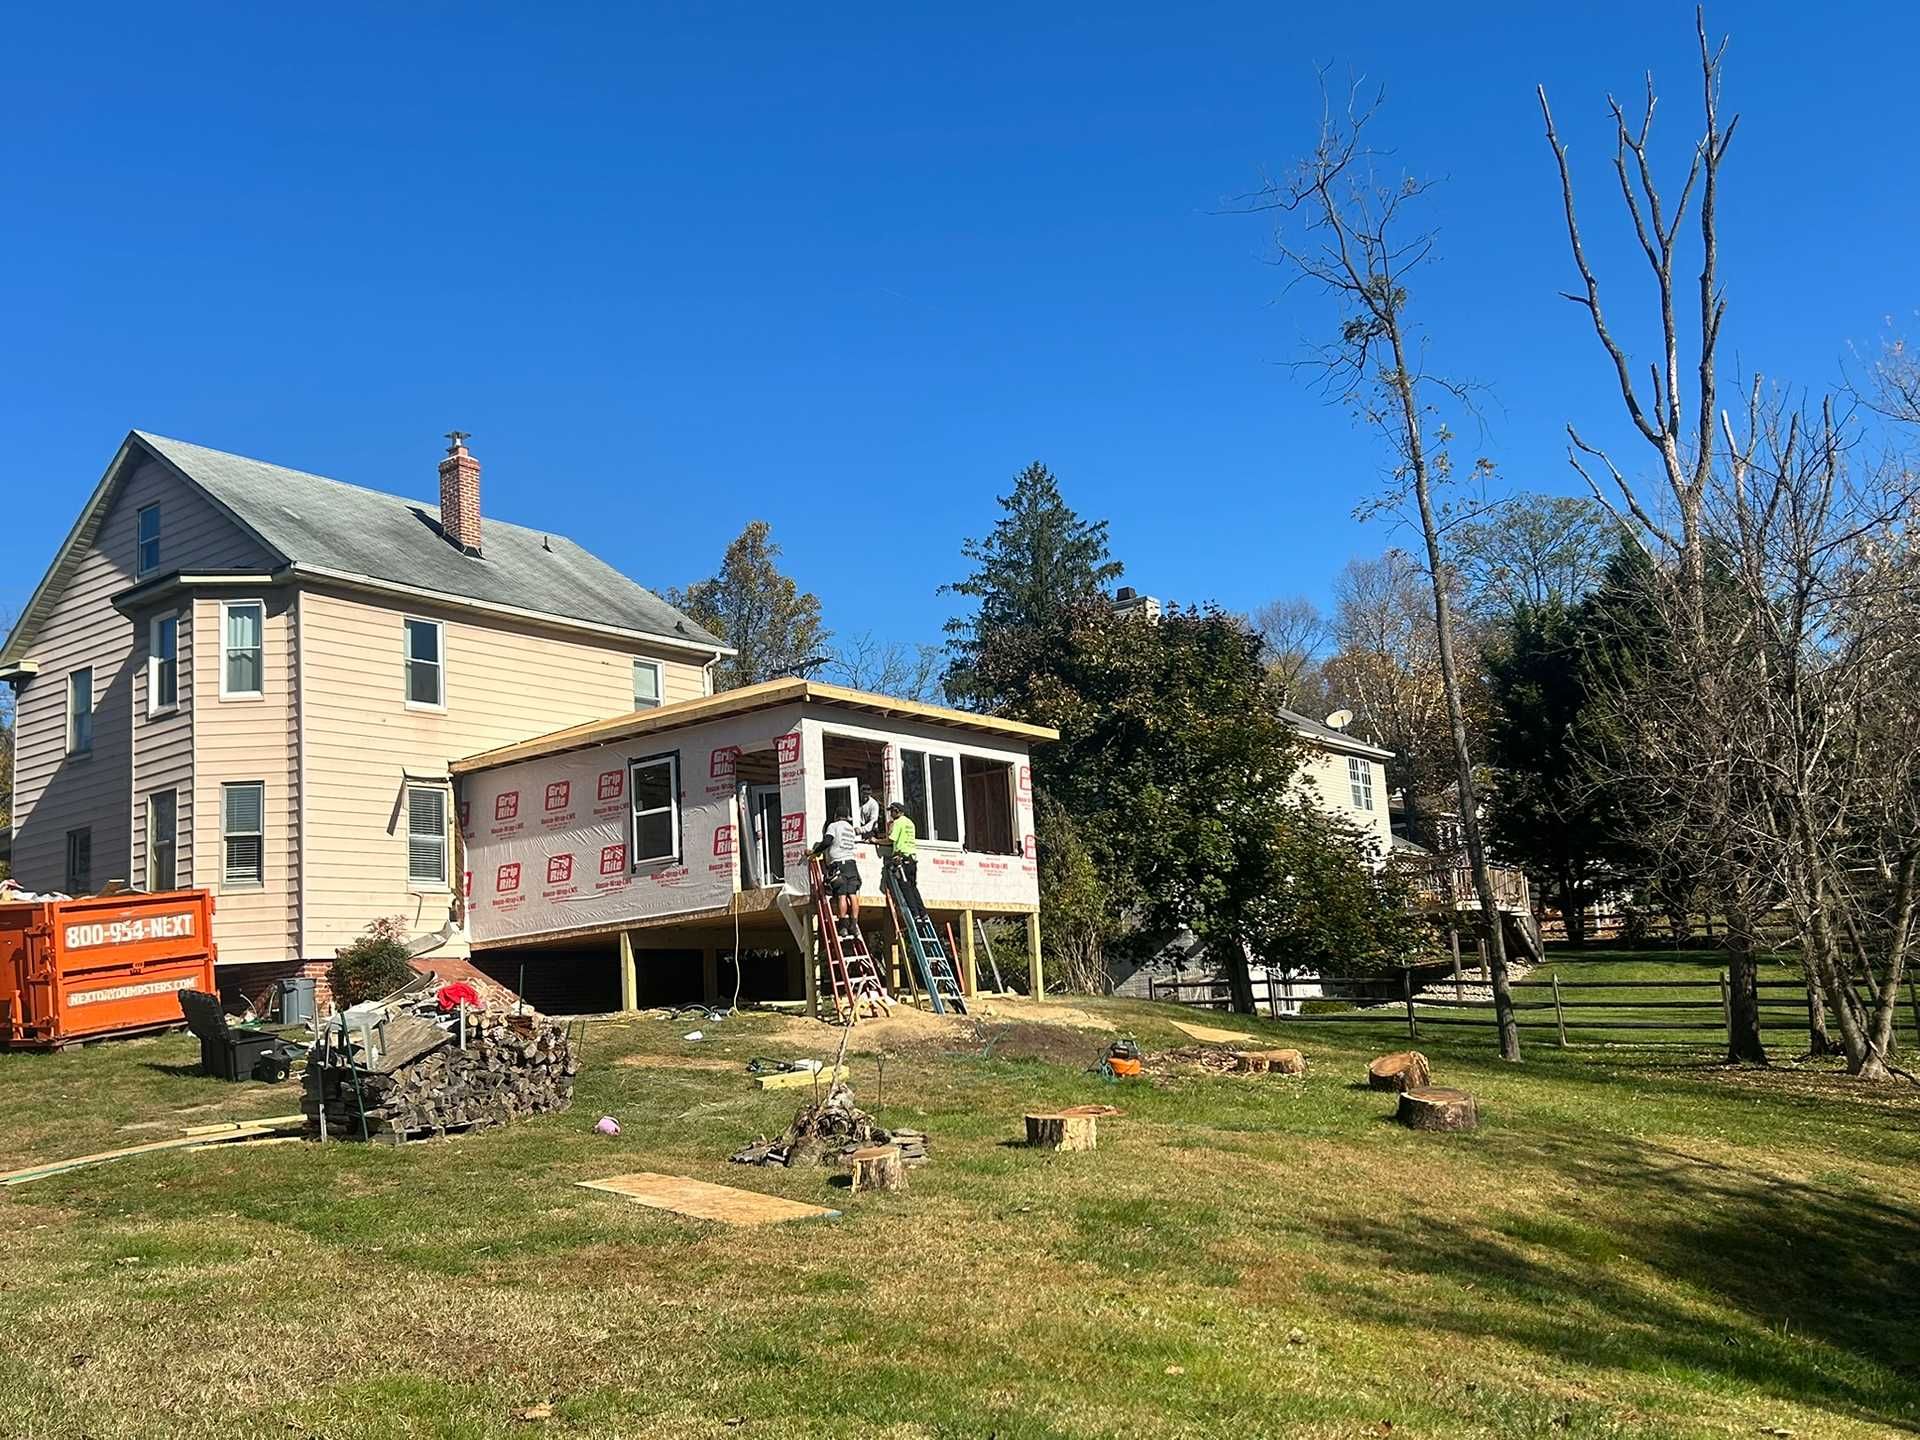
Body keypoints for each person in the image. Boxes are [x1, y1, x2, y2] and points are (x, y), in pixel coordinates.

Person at [810, 812, 862, 929]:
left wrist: (815, 852)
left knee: (842, 895)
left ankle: (843, 926)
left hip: (839, 864)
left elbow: (827, 841)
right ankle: (854, 924)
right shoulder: (850, 828)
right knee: (853, 894)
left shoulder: (834, 826)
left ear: (835, 816)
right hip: (851, 864)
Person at [882, 800, 926, 916]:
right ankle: (923, 913)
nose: (890, 814)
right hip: (912, 859)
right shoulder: (910, 823)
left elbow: (891, 840)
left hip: (902, 859)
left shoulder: (898, 822)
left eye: (891, 811)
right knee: (913, 887)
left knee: (906, 889)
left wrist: (875, 840)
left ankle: (915, 914)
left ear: (897, 811)